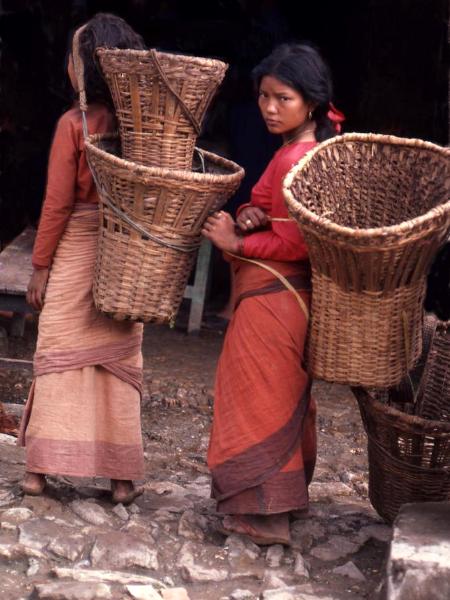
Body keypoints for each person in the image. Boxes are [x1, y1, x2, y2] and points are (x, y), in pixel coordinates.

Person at [202, 43, 344, 545]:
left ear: (311, 102)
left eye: (282, 98)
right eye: (263, 96)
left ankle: (261, 515)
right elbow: (273, 215)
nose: (268, 107)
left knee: (256, 394)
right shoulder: (299, 151)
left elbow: (295, 244)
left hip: (274, 299)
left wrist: (235, 241)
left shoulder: (298, 159)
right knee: (278, 395)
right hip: (286, 299)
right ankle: (276, 505)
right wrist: (248, 215)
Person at [18, 13, 147, 504]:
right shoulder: (146, 126)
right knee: (119, 358)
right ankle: (121, 479)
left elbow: (56, 204)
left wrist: (41, 266)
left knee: (56, 352)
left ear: (87, 69)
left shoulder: (73, 124)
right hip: (129, 253)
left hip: (77, 246)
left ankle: (39, 472)